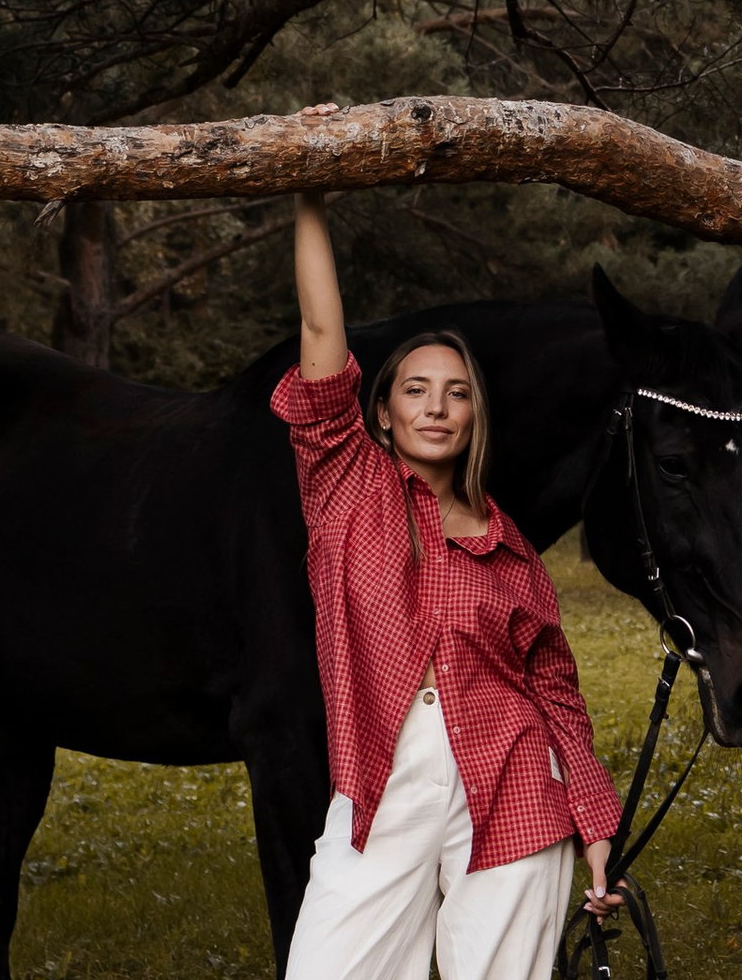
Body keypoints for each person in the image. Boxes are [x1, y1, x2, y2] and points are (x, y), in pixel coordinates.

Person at [273, 191, 625, 980]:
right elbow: (323, 332)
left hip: (514, 786)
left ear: (475, 416)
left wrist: (597, 824)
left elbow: (555, 692)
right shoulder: (345, 486)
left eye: (457, 391)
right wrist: (310, 196)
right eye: (416, 389)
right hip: (379, 788)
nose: (437, 404)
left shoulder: (513, 552)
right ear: (384, 414)